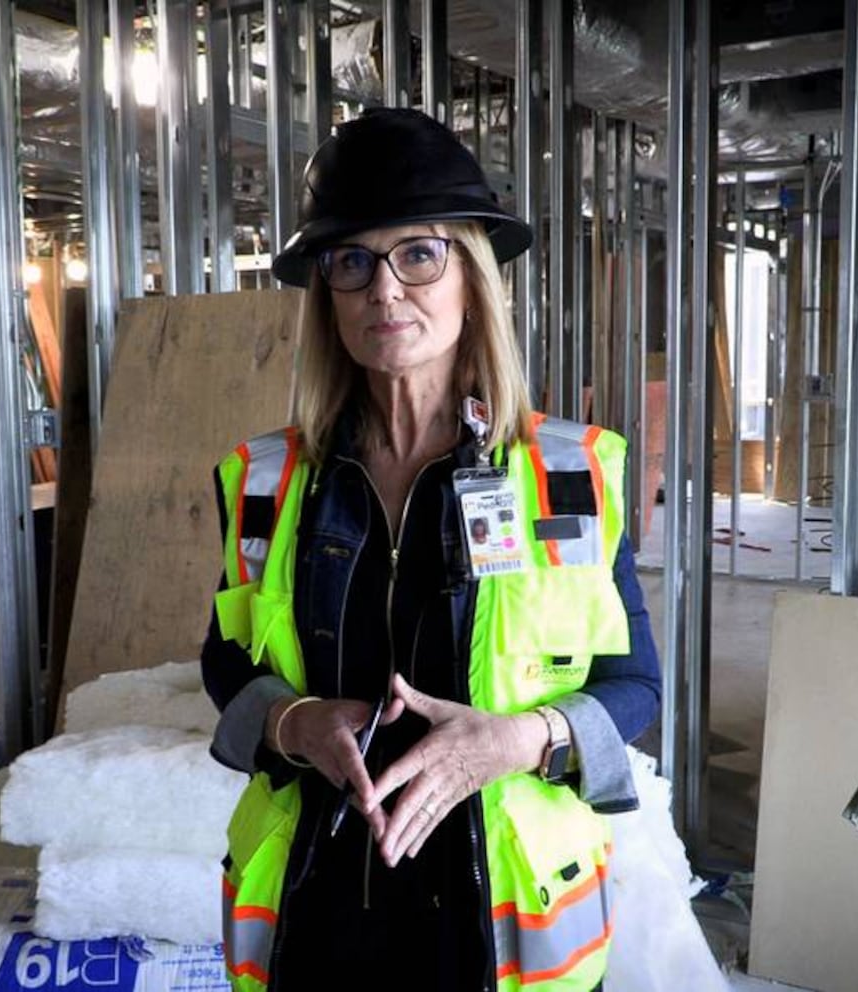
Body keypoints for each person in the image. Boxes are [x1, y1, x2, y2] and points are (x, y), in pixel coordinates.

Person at [201, 107, 660, 992]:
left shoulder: (568, 476)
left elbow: (635, 684)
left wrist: (519, 740)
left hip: (497, 919)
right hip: (320, 905)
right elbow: (225, 656)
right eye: (352, 262)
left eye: (418, 253)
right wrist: (294, 722)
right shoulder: (267, 481)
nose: (385, 290)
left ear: (471, 276)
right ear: (325, 293)